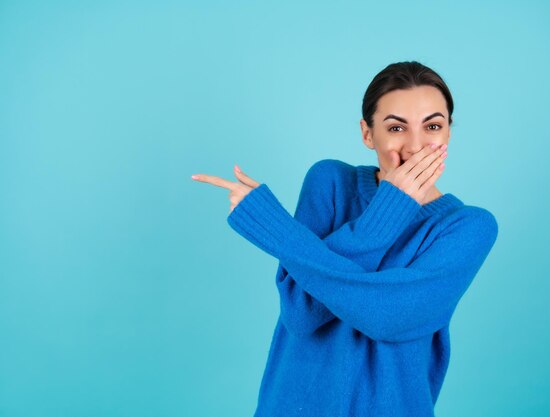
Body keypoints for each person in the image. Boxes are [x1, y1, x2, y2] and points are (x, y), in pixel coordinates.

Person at [191, 61, 498, 417]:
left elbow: (388, 316)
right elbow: (302, 313)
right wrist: (391, 208)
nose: (416, 146)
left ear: (448, 134)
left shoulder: (467, 226)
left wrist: (276, 229)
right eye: (396, 127)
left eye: (433, 125)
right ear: (368, 135)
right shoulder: (331, 182)